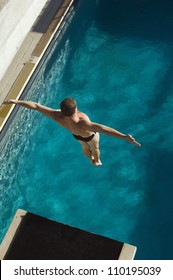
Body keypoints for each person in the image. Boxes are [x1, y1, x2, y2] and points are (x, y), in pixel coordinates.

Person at [3, 97, 141, 166]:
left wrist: (15, 101)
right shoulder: (83, 123)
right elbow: (103, 129)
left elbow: (36, 106)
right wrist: (124, 137)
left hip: (76, 136)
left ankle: (90, 159)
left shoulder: (57, 116)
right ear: (76, 109)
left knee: (84, 147)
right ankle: (97, 161)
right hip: (90, 136)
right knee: (95, 147)